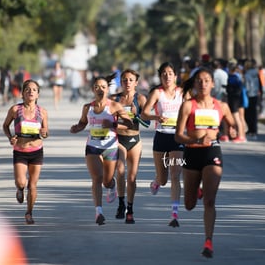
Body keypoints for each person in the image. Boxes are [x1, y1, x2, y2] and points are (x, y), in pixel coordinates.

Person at [174, 67, 236, 258]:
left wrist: (232, 131)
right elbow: (178, 136)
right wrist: (195, 141)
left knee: (210, 200)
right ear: (194, 84)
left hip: (212, 153)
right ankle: (196, 191)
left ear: (213, 84)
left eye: (207, 80)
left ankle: (208, 241)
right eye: (199, 81)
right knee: (190, 205)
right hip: (192, 153)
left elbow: (232, 125)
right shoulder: (188, 106)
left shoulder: (221, 106)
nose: (203, 84)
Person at [70, 75, 133, 225]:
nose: (100, 89)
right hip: (92, 146)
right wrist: (76, 128)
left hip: (110, 147)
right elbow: (82, 123)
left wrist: (112, 125)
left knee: (106, 180)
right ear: (93, 89)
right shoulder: (87, 107)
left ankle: (112, 185)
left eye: (103, 87)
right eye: (97, 87)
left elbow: (129, 124)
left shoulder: (114, 106)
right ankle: (99, 212)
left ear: (107, 89)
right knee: (96, 179)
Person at [141, 62, 184, 227]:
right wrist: (156, 118)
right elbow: (144, 114)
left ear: (175, 76)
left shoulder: (182, 93)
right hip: (161, 137)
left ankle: (175, 214)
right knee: (164, 178)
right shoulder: (157, 93)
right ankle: (156, 181)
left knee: (175, 175)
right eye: (164, 74)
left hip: (177, 139)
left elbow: (190, 109)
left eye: (170, 73)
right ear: (160, 77)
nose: (167, 76)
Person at [2, 79, 49, 225]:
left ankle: (29, 213)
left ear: (38, 94)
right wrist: (11, 137)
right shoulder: (15, 110)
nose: (31, 92)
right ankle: (19, 189)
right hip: (20, 150)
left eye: (34, 90)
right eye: (27, 89)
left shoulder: (42, 112)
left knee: (33, 185)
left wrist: (44, 132)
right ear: (22, 93)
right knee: (21, 181)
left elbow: (46, 132)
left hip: (36, 150)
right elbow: (5, 125)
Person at [112, 69, 149, 224]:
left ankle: (130, 208)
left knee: (132, 178)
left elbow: (147, 123)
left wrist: (137, 115)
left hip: (134, 140)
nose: (127, 83)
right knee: (120, 171)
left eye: (131, 80)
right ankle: (121, 203)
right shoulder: (115, 100)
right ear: (121, 82)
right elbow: (109, 123)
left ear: (136, 82)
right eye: (125, 80)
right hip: (119, 140)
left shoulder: (140, 99)